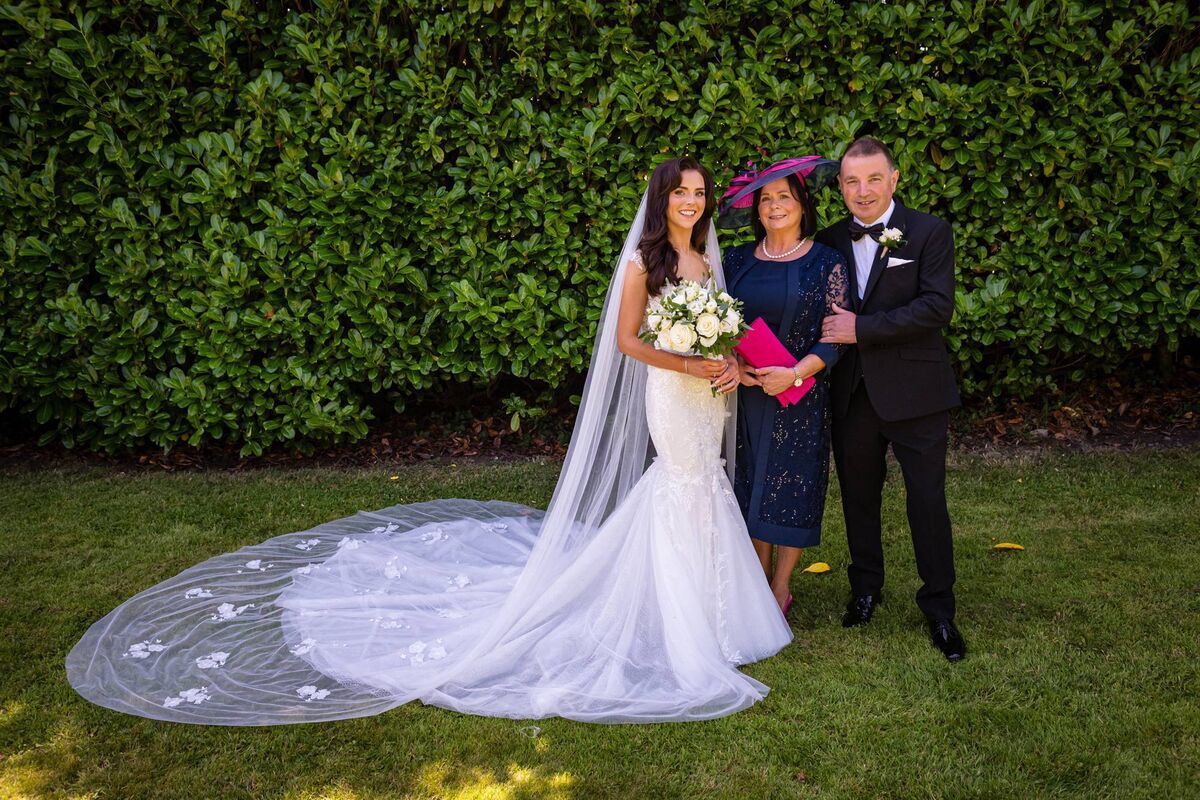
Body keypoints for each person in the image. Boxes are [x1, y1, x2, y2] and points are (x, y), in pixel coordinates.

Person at [66, 157, 793, 725]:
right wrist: (689, 362)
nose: (691, 203)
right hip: (672, 392)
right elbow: (630, 343)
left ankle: (717, 608)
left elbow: (719, 331)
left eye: (698, 193)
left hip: (708, 395)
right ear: (662, 198)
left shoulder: (705, 259)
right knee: (681, 483)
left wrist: (724, 361)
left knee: (704, 484)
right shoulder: (645, 264)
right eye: (681, 193)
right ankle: (676, 618)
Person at [815, 137, 966, 662]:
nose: (863, 191)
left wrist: (864, 328)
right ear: (840, 186)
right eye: (852, 181)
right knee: (859, 497)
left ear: (894, 179)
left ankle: (940, 610)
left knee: (926, 500)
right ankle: (865, 589)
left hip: (917, 392)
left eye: (873, 179)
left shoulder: (929, 232)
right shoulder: (829, 239)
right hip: (854, 393)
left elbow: (936, 308)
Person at [716, 158, 848, 614]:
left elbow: (836, 336)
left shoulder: (826, 261)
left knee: (793, 488)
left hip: (801, 395)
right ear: (756, 209)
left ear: (801, 204)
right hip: (745, 393)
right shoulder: (735, 260)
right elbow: (718, 324)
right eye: (766, 199)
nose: (774, 206)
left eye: (784, 197)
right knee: (750, 482)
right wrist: (737, 361)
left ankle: (781, 586)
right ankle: (756, 578)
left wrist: (794, 373)